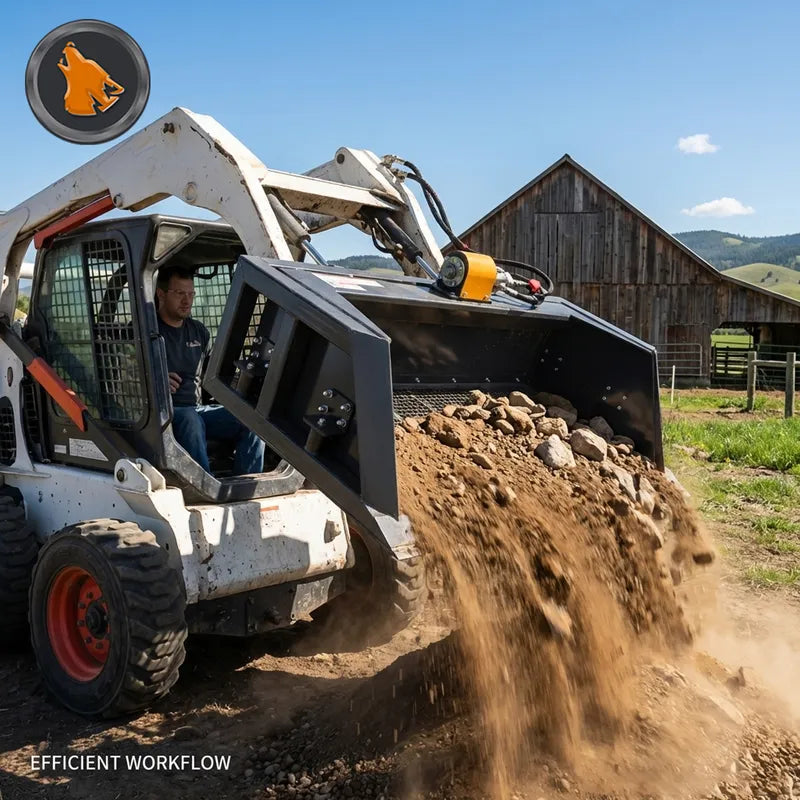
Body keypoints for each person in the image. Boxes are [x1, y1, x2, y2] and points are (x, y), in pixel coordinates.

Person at [156, 266, 265, 475]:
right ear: (161, 294)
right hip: (162, 415)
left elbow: (212, 375)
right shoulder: (147, 330)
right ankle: (206, 484)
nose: (187, 301)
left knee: (252, 419)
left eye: (191, 294)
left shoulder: (199, 332)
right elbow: (128, 376)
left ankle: (246, 483)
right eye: (180, 294)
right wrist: (155, 381)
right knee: (190, 418)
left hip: (197, 411)